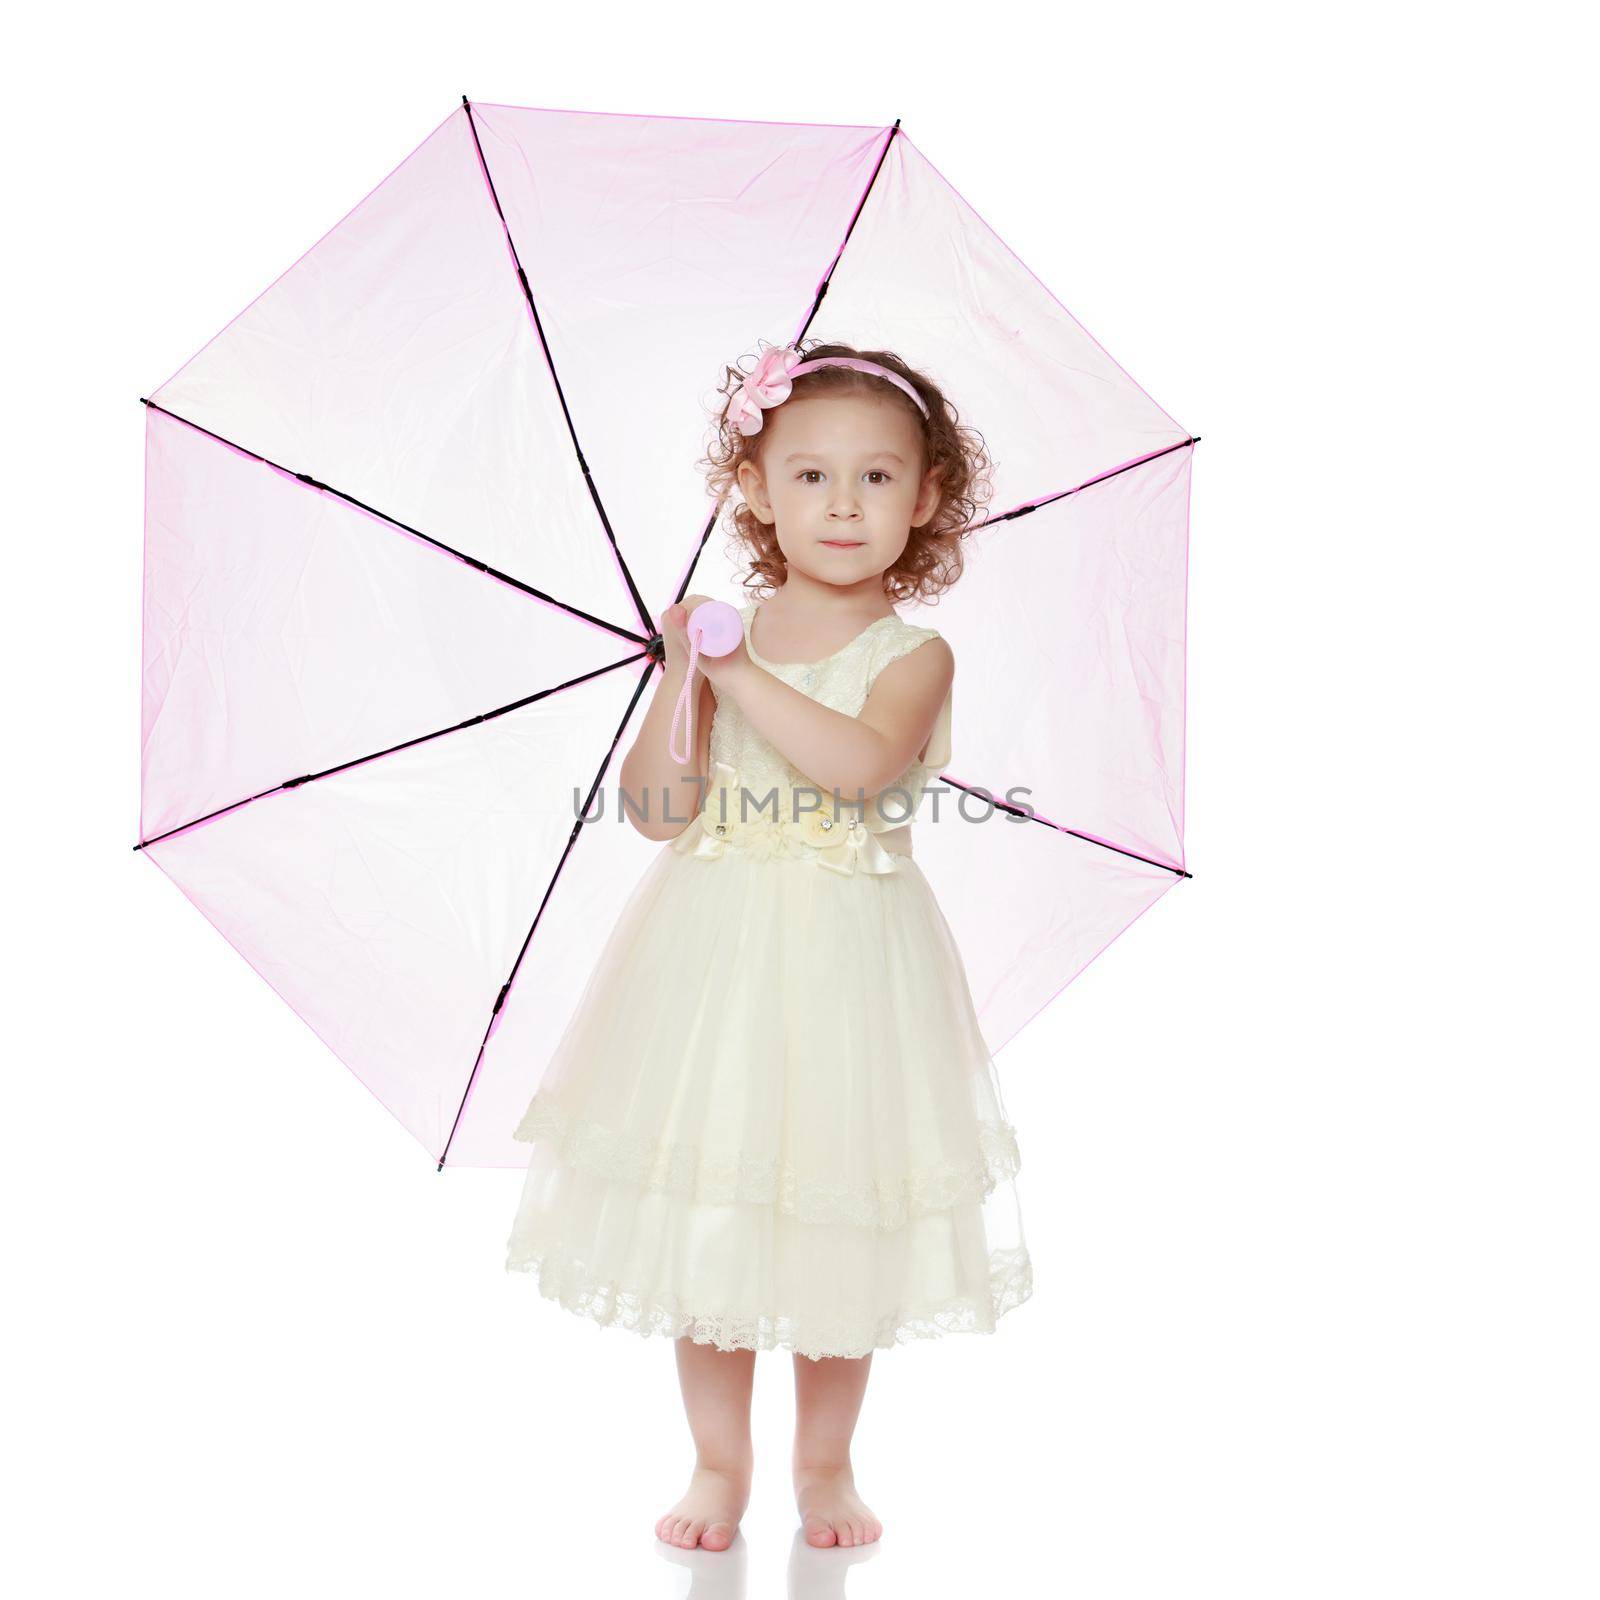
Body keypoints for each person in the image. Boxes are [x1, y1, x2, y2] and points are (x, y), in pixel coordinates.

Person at [504, 339, 1032, 1553]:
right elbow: (658, 812)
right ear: (751, 487)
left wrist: (736, 671)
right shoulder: (720, 644)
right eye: (807, 476)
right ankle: (715, 1460)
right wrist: (681, 674)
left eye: (878, 478)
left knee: (836, 1204)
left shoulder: (913, 652)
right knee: (720, 1200)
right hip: (716, 957)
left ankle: (827, 1464)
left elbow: (855, 764)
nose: (842, 504)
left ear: (929, 499)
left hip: (850, 957)